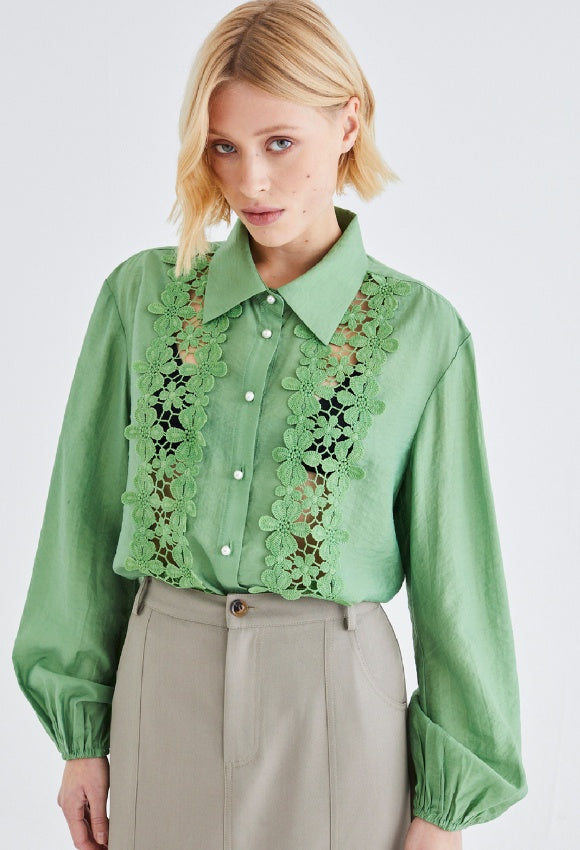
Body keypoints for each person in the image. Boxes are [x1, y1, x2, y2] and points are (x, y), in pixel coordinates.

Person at [12, 1, 528, 848]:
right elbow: (82, 523)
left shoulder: (421, 332)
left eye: (279, 142)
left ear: (347, 124)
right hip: (161, 692)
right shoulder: (142, 299)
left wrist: (443, 812)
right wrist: (80, 741)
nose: (250, 181)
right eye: (224, 147)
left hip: (334, 704)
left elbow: (458, 581)